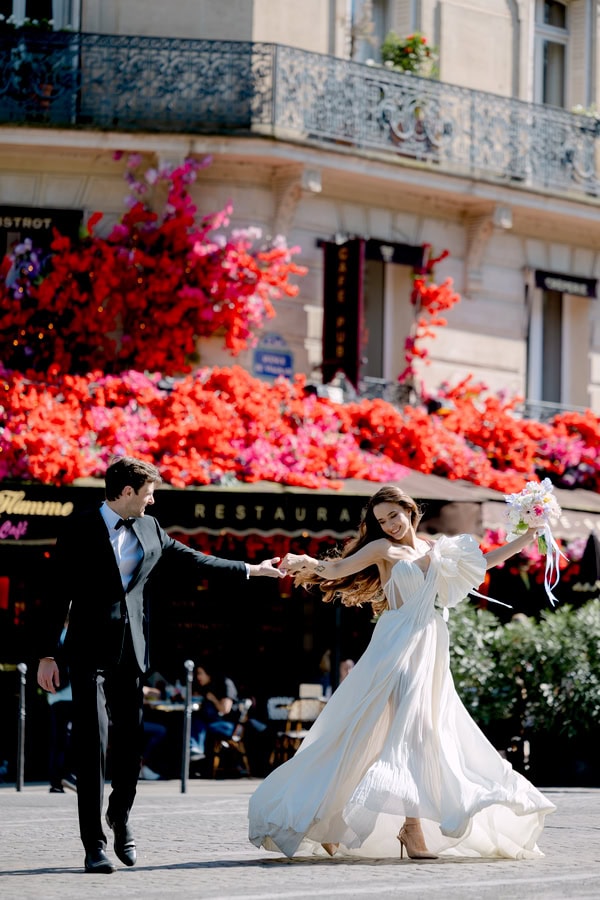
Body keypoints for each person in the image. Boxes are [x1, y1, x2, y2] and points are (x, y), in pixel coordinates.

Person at [249, 485, 556, 860]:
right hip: (395, 642)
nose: (390, 525)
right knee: (402, 731)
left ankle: (360, 822)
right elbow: (337, 569)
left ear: (410, 510)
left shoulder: (437, 549)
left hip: (430, 643)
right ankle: (382, 825)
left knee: (417, 731)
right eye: (381, 520)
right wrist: (306, 563)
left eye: (394, 515)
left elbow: (486, 562)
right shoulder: (382, 550)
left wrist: (527, 536)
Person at [36, 456, 283, 875]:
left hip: (131, 654)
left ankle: (120, 814)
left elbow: (192, 559)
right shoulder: (78, 527)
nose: (153, 502)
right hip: (86, 654)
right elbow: (55, 593)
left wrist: (251, 569)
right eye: (149, 493)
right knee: (91, 746)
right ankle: (93, 845)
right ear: (128, 491)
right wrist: (46, 653)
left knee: (131, 746)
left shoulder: (150, 528)